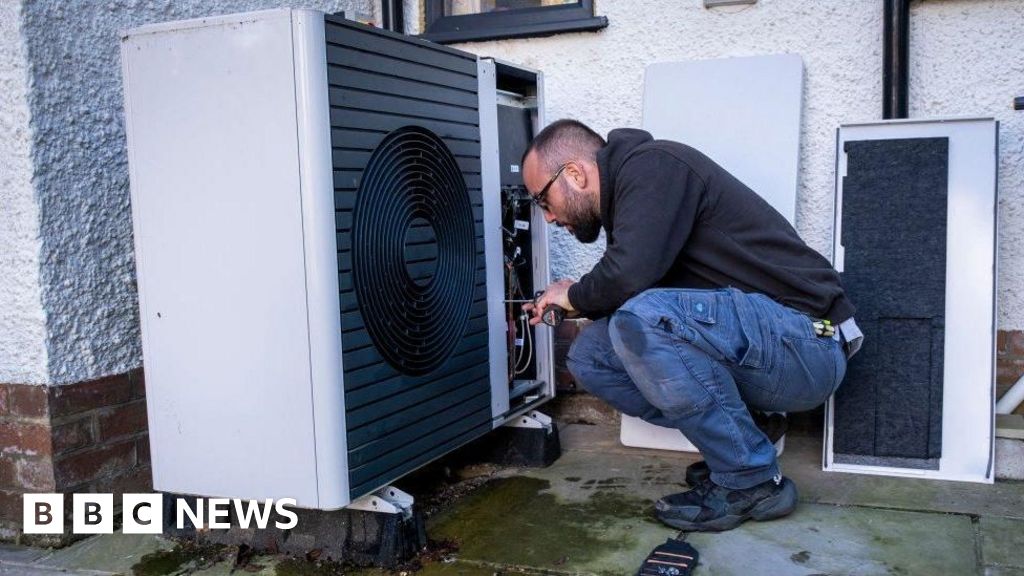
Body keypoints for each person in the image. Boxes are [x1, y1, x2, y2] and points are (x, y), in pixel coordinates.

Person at [522, 119, 862, 532]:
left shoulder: (652, 166)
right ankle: (745, 437)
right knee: (591, 356)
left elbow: (628, 277)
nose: (550, 218)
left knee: (642, 316)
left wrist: (574, 295)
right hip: (771, 348)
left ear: (574, 173)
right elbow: (633, 287)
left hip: (811, 339)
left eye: (543, 200)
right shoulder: (633, 198)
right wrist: (577, 303)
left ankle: (752, 483)